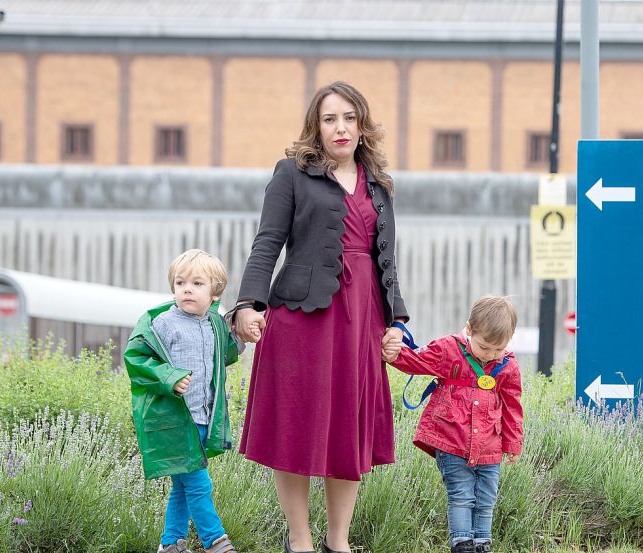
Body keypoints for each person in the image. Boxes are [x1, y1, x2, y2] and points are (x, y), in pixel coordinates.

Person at [231, 81, 409, 553]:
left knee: (347, 429)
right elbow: (267, 242)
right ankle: (300, 540)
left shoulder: (379, 183)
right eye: (330, 119)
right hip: (299, 320)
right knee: (296, 425)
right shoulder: (291, 173)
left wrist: (397, 322)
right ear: (316, 126)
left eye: (349, 117)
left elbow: (386, 260)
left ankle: (339, 542)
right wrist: (249, 304)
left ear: (362, 124)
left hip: (362, 319)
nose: (341, 127)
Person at [382, 295, 524, 553]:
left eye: (498, 349)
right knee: (461, 494)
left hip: (489, 445)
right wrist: (394, 353)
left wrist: (512, 443)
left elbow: (513, 407)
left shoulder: (508, 366)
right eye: (484, 348)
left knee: (486, 498)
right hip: (451, 439)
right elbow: (418, 361)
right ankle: (462, 543)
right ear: (469, 329)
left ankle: (482, 543)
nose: (491, 355)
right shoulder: (449, 350)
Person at [124, 249, 241, 553]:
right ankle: (216, 541)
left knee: (182, 486)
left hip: (202, 419)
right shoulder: (164, 324)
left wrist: (244, 337)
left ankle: (170, 543)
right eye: (180, 283)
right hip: (175, 422)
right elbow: (138, 359)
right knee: (199, 485)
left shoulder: (213, 324)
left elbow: (223, 354)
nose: (187, 289)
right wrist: (169, 376)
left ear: (215, 293)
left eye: (197, 284)